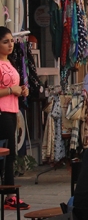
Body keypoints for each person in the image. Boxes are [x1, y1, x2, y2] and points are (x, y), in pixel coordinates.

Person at [0, 28, 29, 210]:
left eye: (11, 40)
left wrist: (21, 90)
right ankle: (9, 195)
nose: (11, 44)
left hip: (11, 111)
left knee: (10, 154)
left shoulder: (9, 63)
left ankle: (9, 194)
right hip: (2, 112)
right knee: (6, 154)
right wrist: (12, 90)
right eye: (5, 41)